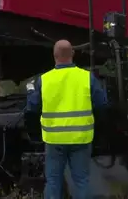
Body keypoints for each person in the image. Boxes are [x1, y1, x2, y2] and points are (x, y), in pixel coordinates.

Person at [26, 39, 108, 199]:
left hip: (54, 140)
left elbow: (32, 107)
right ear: (73, 54)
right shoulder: (87, 77)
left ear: (54, 56)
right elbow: (102, 104)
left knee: (53, 181)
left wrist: (30, 91)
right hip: (81, 138)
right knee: (82, 181)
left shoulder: (44, 79)